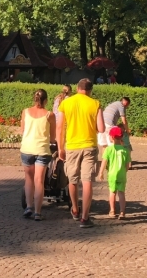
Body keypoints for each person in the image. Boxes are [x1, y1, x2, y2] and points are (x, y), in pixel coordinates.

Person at [57, 78, 105, 227]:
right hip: (89, 145)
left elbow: (60, 127)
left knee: (73, 179)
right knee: (87, 180)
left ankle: (75, 209)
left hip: (72, 146)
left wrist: (60, 147)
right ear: (90, 90)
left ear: (77, 88)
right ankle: (85, 217)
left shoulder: (66, 103)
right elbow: (102, 128)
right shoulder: (95, 104)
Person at [20, 89, 56, 221]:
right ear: (46, 100)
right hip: (42, 150)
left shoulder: (25, 112)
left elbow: (22, 130)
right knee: (39, 180)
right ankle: (38, 212)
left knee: (28, 179)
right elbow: (53, 137)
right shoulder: (49, 115)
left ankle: (28, 207)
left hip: (27, 148)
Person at [98, 126, 132, 218]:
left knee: (112, 192)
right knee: (121, 193)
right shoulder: (125, 150)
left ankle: (112, 211)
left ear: (111, 137)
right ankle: (122, 212)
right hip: (122, 174)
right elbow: (128, 165)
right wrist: (124, 171)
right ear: (121, 137)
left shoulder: (108, 149)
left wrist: (101, 172)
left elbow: (104, 162)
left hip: (112, 174)